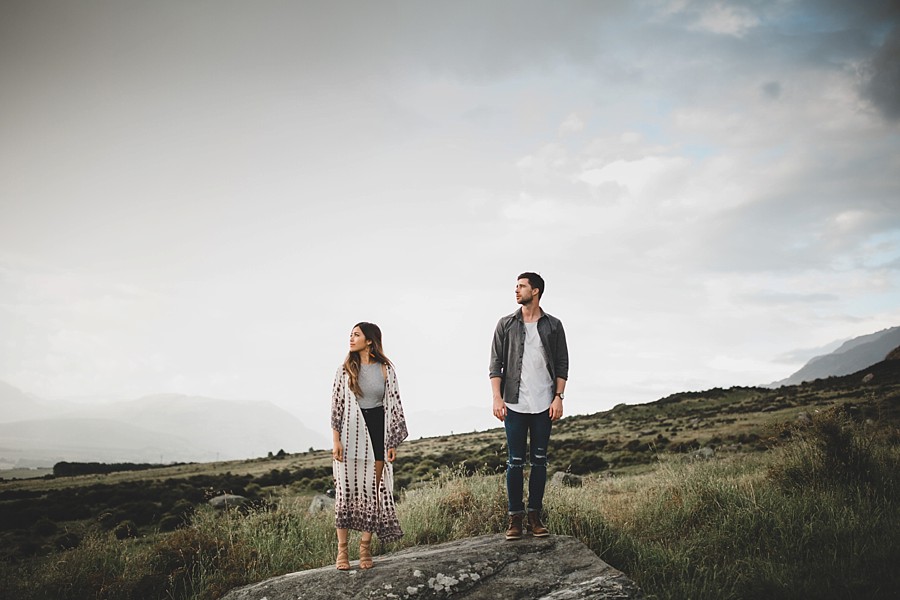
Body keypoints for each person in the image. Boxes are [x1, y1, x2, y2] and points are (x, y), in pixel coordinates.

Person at [490, 272, 569, 540]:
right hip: (513, 403)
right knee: (514, 462)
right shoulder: (506, 324)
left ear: (535, 291)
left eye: (522, 286)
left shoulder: (554, 325)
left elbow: (562, 364)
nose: (516, 290)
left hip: (544, 403)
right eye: (516, 286)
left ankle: (535, 516)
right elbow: (495, 365)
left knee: (539, 461)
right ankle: (515, 518)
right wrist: (497, 398)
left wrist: (559, 397)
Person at [331, 322, 408, 570]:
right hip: (349, 432)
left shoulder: (386, 370)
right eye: (350, 335)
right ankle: (342, 552)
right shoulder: (344, 371)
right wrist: (336, 440)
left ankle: (365, 549)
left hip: (377, 432)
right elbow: (337, 407)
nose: (351, 339)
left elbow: (394, 405)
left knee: (371, 492)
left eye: (356, 335)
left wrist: (392, 442)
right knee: (346, 492)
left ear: (370, 341)